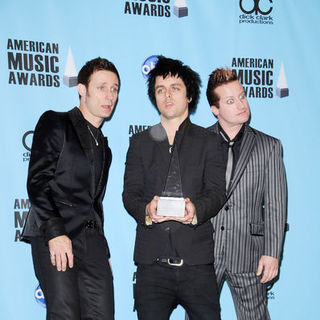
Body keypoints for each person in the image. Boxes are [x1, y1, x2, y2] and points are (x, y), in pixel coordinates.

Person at [122, 56, 226, 320]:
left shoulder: (209, 142)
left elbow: (216, 192)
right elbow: (129, 194)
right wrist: (146, 209)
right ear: (154, 97)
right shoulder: (139, 142)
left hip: (198, 265)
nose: (167, 95)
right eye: (160, 90)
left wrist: (196, 211)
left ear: (189, 95)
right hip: (151, 267)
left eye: (175, 88)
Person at [21, 57, 120, 319]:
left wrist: (103, 250)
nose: (109, 95)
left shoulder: (105, 148)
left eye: (114, 88)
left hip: (92, 242)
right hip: (56, 232)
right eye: (101, 87)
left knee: (103, 315)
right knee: (65, 313)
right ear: (82, 89)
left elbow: (93, 203)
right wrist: (55, 233)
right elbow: (38, 181)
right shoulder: (56, 122)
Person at [206, 67, 287, 319]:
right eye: (230, 100)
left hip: (249, 253)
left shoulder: (269, 146)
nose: (241, 104)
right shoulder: (197, 143)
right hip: (204, 253)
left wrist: (272, 253)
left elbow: (275, 204)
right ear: (215, 109)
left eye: (242, 96)